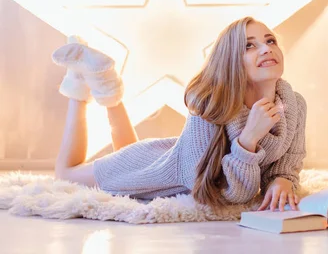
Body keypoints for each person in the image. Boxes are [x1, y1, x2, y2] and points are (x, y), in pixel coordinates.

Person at [51, 16, 307, 211]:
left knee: (125, 148)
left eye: (270, 40)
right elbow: (226, 194)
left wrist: (282, 180)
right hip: (154, 171)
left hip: (164, 153)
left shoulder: (294, 104)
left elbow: (288, 163)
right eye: (249, 46)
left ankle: (104, 84)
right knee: (66, 173)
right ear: (230, 60)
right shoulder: (210, 103)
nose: (266, 49)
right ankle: (78, 82)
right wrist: (248, 138)